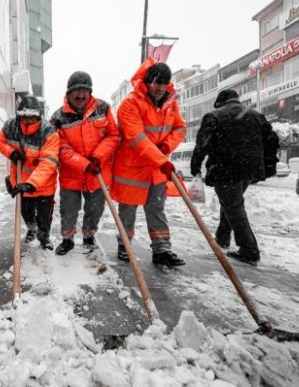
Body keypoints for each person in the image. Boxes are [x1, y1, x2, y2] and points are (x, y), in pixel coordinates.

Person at [110, 59, 187, 266]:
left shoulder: (171, 103)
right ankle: (124, 244)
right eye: (156, 83)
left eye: (164, 83)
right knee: (128, 210)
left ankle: (162, 249)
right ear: (147, 82)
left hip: (156, 169)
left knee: (156, 208)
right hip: (131, 169)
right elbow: (136, 137)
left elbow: (180, 128)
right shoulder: (130, 103)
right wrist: (160, 158)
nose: (160, 88)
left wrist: (165, 148)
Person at [190, 89, 280, 264]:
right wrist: (266, 164)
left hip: (225, 167)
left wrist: (196, 165)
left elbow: (202, 144)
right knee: (231, 202)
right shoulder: (256, 116)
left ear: (220, 102)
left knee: (233, 205)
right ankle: (222, 238)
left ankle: (249, 249)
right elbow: (272, 140)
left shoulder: (215, 116)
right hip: (249, 169)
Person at [49, 71, 120, 255]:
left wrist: (98, 157)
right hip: (71, 174)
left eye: (85, 90)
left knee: (95, 210)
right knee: (69, 210)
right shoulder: (58, 117)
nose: (81, 95)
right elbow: (61, 149)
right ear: (68, 93)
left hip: (98, 171)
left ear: (90, 92)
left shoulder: (103, 108)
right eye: (76, 91)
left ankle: (89, 235)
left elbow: (113, 135)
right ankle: (67, 239)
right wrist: (83, 164)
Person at [0, 96, 59, 250]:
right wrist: (11, 152)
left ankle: (44, 237)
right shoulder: (11, 126)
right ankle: (32, 229)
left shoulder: (48, 131)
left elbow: (48, 162)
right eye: (25, 117)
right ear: (19, 116)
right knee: (26, 213)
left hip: (43, 184)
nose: (29, 120)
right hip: (19, 181)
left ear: (38, 115)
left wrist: (32, 183)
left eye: (32, 117)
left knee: (44, 217)